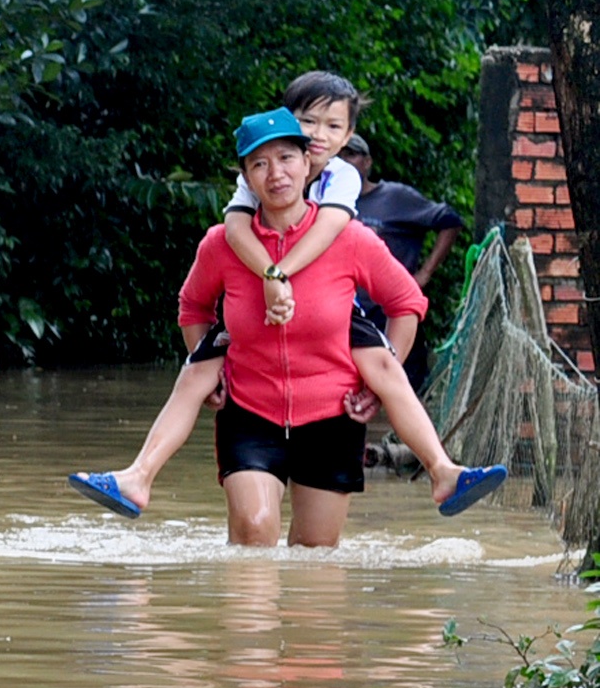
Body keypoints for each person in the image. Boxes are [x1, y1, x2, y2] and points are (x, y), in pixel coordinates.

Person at [69, 72, 502, 519]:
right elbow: (235, 232)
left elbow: (337, 231)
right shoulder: (253, 180)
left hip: (332, 319)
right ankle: (138, 476)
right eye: (309, 123)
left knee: (383, 365)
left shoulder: (341, 180)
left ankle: (442, 469)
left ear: (348, 136)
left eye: (332, 128)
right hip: (255, 333)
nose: (317, 138)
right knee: (197, 369)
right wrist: (267, 276)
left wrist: (282, 273)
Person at [173, 108, 452, 547]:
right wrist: (213, 372)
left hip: (332, 415)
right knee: (253, 529)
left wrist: (380, 379)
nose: (275, 173)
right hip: (249, 412)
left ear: (309, 164)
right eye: (259, 164)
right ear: (245, 178)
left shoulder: (351, 238)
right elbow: (192, 306)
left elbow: (406, 303)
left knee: (315, 561)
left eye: (286, 158)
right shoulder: (221, 243)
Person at [338, 131, 464, 389]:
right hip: (348, 317)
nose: (343, 160)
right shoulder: (329, 204)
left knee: (401, 388)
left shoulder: (395, 197)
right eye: (338, 155)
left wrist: (425, 273)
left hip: (392, 314)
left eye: (350, 154)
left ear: (367, 161)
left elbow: (450, 221)